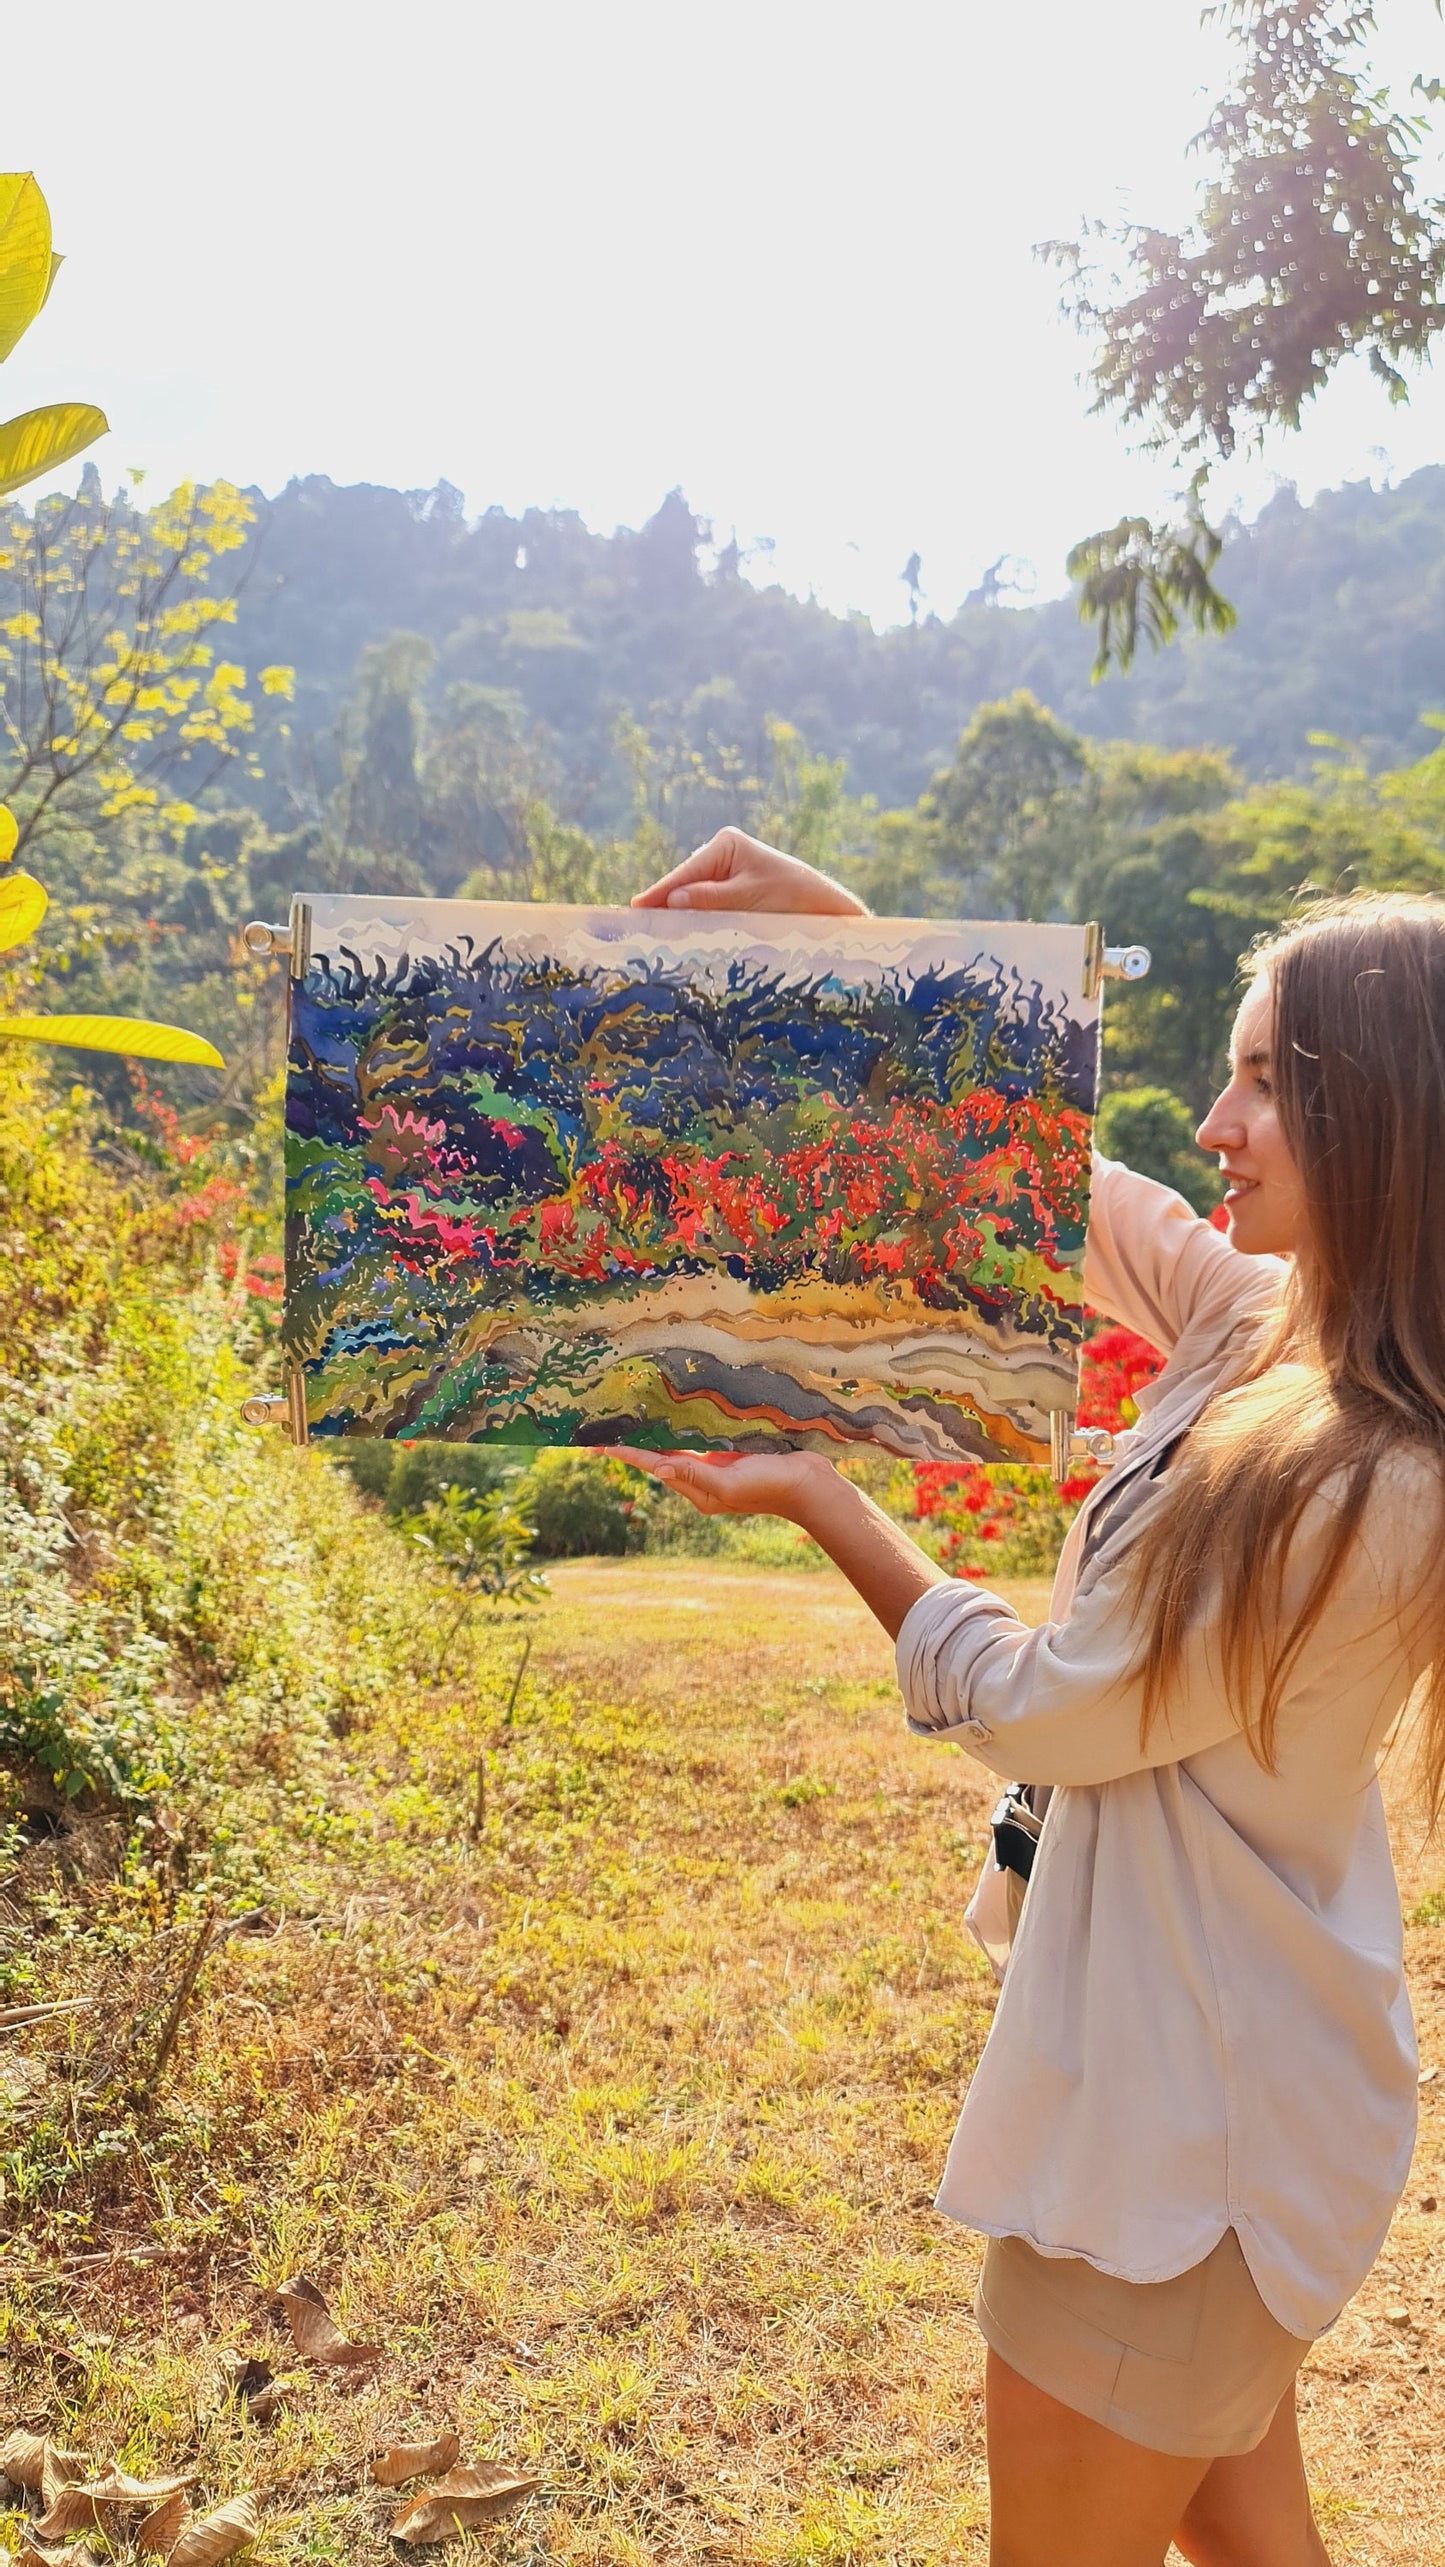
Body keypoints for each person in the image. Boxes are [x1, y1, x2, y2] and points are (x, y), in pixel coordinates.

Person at [616, 829, 1445, 2567]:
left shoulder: (1356, 1471)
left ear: (1391, 1118)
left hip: (1172, 2154)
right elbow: (1060, 1193)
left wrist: (826, 1503)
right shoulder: (1274, 1334)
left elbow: (1050, 1710)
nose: (1212, 1132)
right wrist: (869, 955)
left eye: (1263, 1087)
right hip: (1212, 2115)